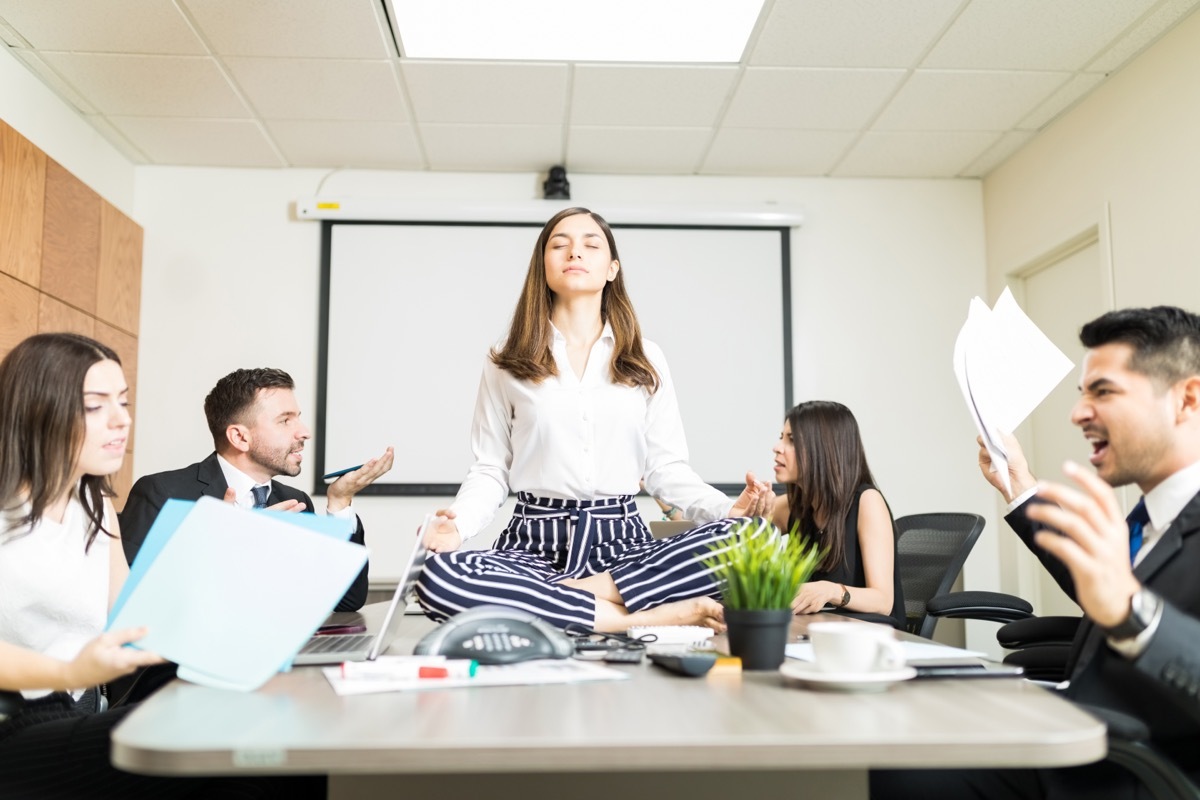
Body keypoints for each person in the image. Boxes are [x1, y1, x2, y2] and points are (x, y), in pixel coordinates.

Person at [872, 305, 1200, 798]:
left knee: (898, 775)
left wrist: (1134, 614)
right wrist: (1020, 487)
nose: (1078, 413)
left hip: (1126, 775)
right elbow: (1103, 588)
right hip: (1068, 735)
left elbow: (1127, 604)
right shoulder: (1150, 516)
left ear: (1186, 398)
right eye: (1082, 393)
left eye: (1103, 391)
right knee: (896, 736)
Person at [416, 207, 774, 632]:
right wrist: (455, 528)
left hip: (622, 544)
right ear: (543, 265)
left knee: (756, 537)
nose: (575, 253)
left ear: (611, 268)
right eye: (559, 244)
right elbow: (492, 468)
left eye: (591, 244)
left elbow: (664, 468)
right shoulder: (506, 359)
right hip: (533, 543)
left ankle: (567, 602)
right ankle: (645, 617)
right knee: (437, 577)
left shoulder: (646, 357)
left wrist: (726, 510)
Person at [0, 333, 323, 798]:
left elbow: (139, 627)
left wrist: (225, 550)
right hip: (15, 721)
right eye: (96, 406)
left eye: (124, 402)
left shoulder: (96, 509)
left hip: (74, 713)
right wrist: (70, 674)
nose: (121, 420)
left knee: (278, 728)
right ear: (40, 409)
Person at [119, 368, 392, 613]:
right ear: (240, 437)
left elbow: (346, 602)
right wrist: (231, 545)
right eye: (285, 421)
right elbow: (130, 604)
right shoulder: (162, 494)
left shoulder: (294, 502)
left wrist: (340, 503)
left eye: (298, 418)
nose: (304, 432)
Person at [769, 401, 904, 629]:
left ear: (823, 448)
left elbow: (883, 601)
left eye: (791, 440)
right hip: (817, 635)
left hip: (869, 643)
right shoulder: (793, 506)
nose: (777, 447)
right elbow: (735, 524)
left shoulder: (867, 502)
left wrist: (832, 591)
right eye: (781, 437)